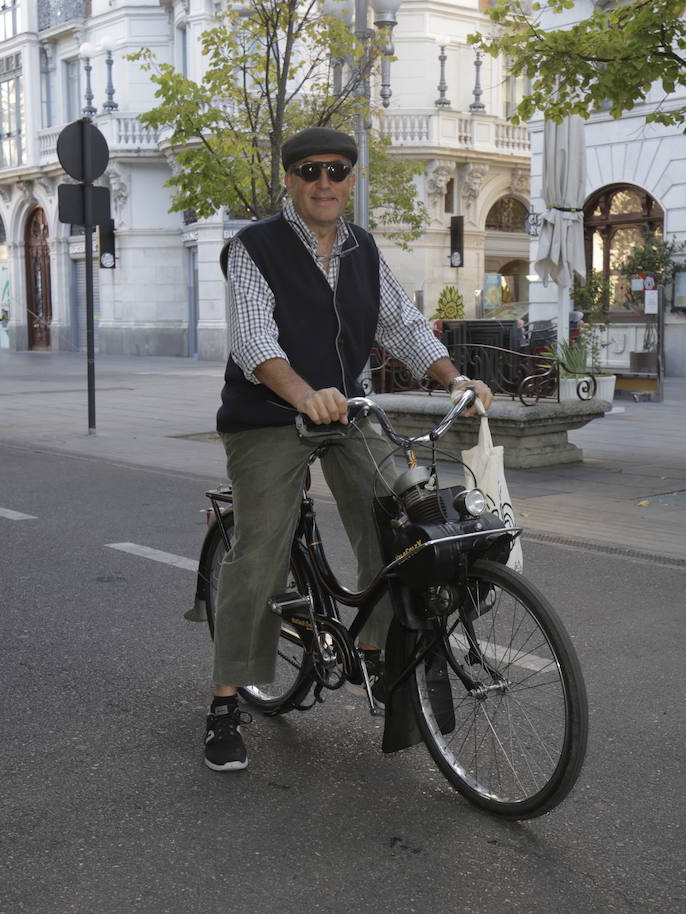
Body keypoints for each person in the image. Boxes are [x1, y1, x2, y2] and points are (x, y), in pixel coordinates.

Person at [204, 126, 493, 772]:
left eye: (336, 171)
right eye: (310, 171)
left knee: (407, 523)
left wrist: (455, 378)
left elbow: (403, 324)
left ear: (352, 179)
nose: (324, 183)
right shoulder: (253, 248)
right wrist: (304, 394)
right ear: (290, 180)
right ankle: (225, 701)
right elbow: (252, 341)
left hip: (350, 411)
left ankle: (371, 649)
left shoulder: (363, 248)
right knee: (261, 550)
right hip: (267, 415)